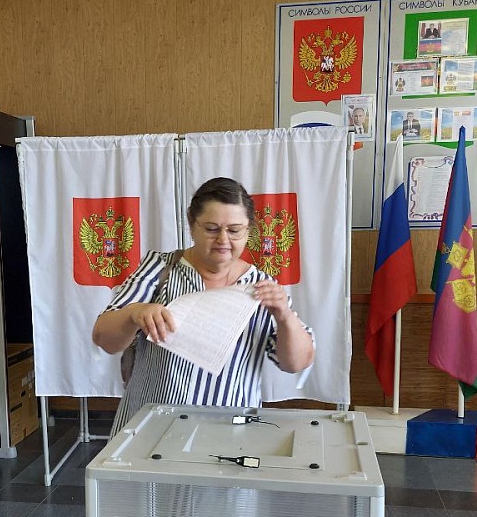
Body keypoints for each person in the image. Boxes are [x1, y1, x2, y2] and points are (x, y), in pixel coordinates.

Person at [92, 176, 316, 437]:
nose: (223, 239)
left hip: (229, 436)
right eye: (211, 229)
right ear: (192, 223)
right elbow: (104, 338)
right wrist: (134, 313)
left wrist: (285, 316)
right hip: (151, 430)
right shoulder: (160, 269)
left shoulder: (261, 286)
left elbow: (296, 363)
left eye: (234, 230)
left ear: (249, 229)